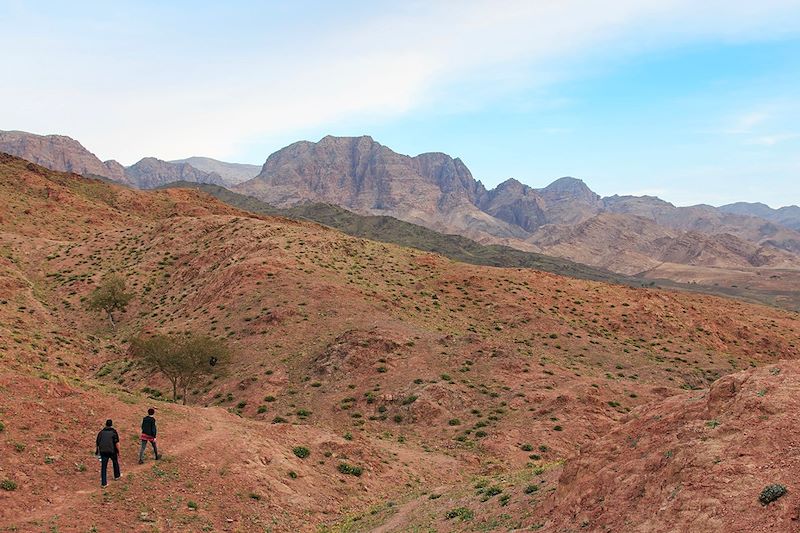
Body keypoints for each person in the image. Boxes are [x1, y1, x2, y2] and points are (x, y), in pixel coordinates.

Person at [95, 419, 120, 487]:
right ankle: (117, 476)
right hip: (112, 451)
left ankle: (104, 483)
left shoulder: (101, 432)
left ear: (105, 424)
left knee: (104, 467)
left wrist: (98, 452)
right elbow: (117, 443)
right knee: (115, 462)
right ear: (111, 425)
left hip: (103, 451)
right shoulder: (114, 432)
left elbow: (97, 442)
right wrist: (119, 452)